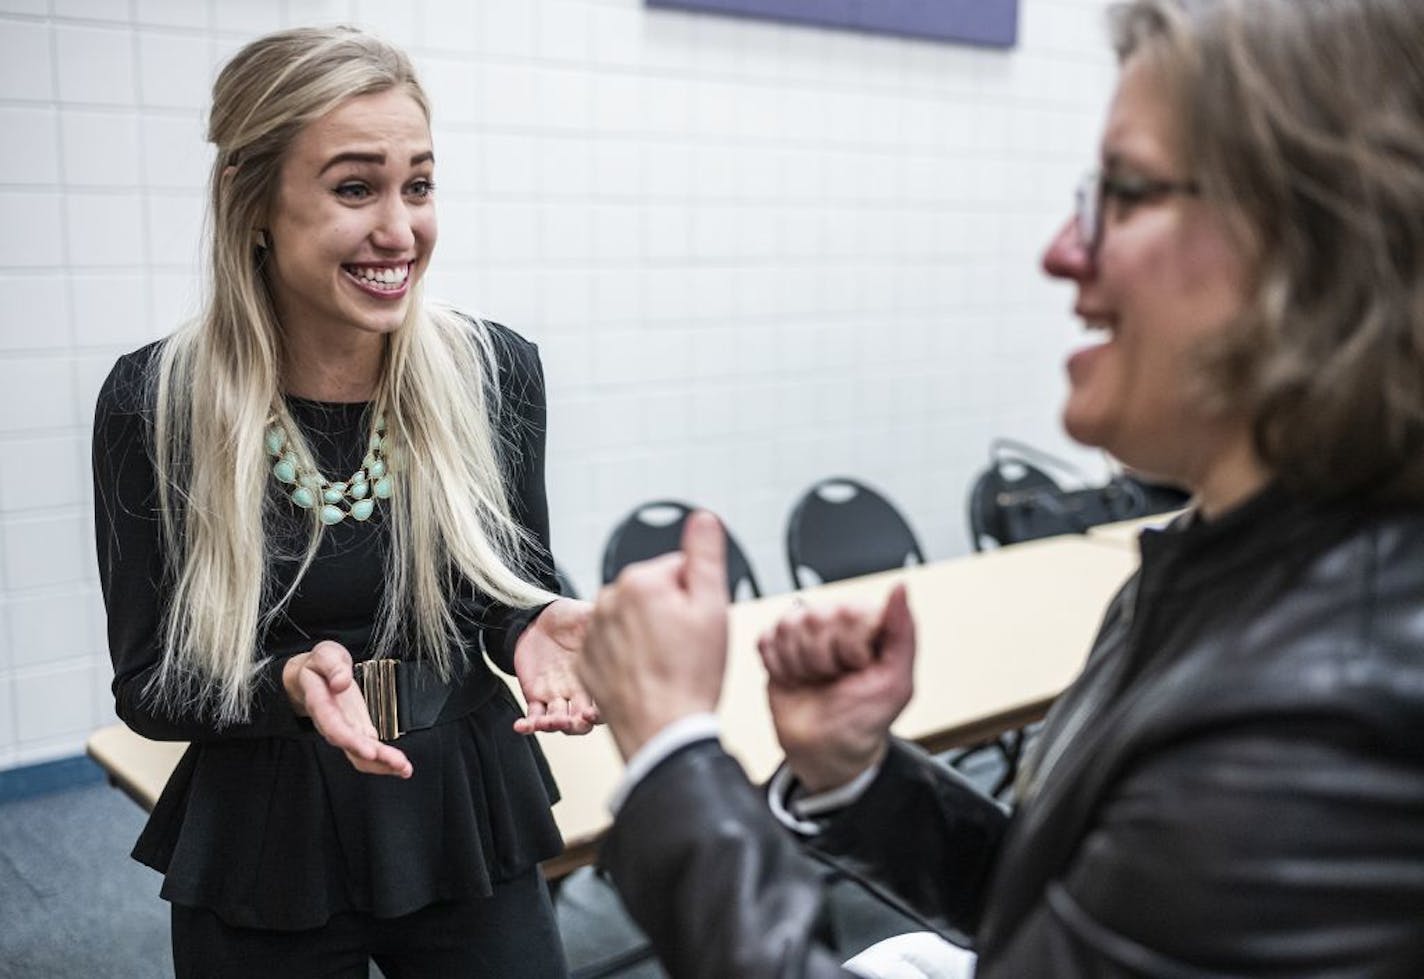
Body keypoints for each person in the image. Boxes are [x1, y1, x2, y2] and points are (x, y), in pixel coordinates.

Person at [577, 0, 1424, 975]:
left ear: (1319, 240)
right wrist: (857, 777)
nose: (1062, 250)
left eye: (1127, 192)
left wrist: (672, 758)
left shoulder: (1317, 726)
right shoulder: (1226, 566)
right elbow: (1079, 911)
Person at [92, 26, 598, 977]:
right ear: (255, 205)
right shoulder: (156, 403)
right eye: (355, 188)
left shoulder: (495, 374)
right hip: (264, 824)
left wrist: (530, 630)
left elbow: (504, 592)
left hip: (462, 804)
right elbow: (149, 682)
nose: (401, 232)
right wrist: (286, 684)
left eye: (419, 184)